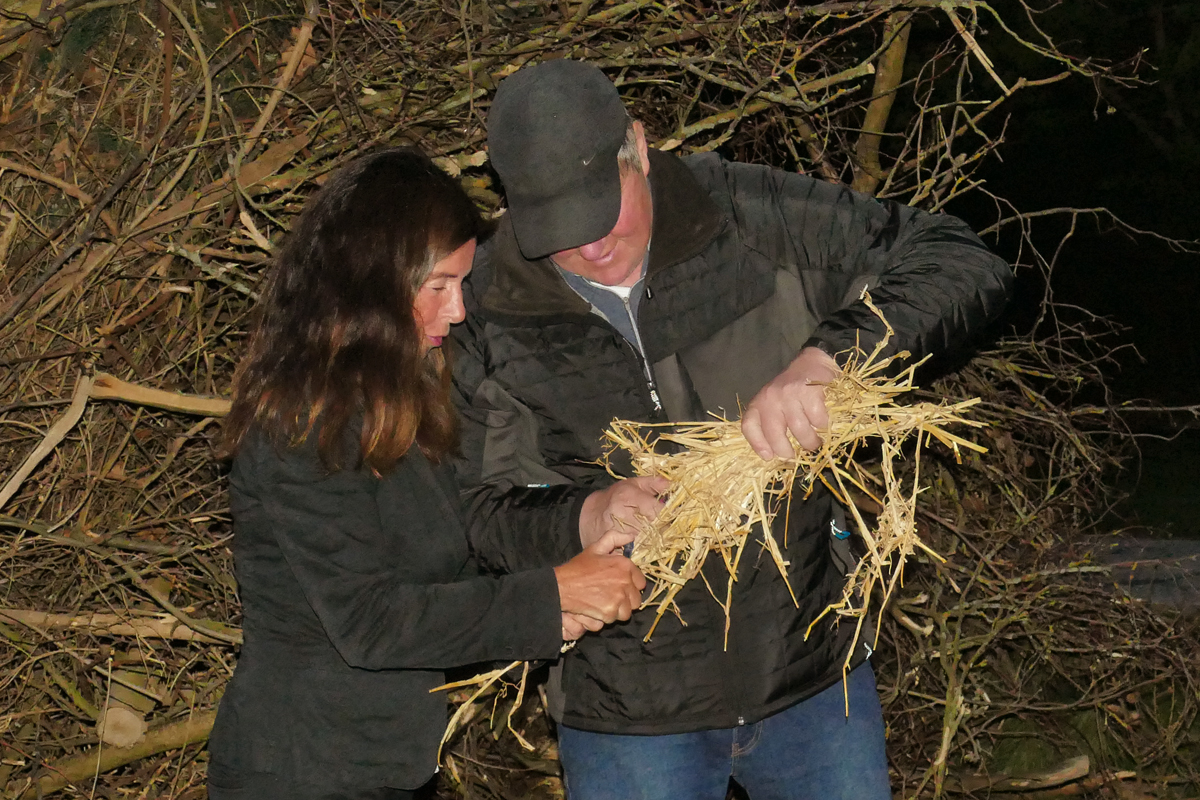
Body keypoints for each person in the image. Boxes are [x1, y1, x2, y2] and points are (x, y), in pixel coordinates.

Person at [450, 61, 1014, 799]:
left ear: (638, 149)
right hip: (627, 714)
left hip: (812, 681)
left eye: (601, 209)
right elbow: (475, 511)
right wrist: (582, 515)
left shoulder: (750, 217)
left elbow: (959, 261)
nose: (590, 248)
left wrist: (833, 358)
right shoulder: (487, 306)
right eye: (558, 227)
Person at [205, 147, 647, 800]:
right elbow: (371, 621)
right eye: (439, 285)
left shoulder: (398, 402)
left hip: (392, 768)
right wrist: (551, 598)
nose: (459, 310)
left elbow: (464, 533)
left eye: (462, 284)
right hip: (302, 773)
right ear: (371, 282)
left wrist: (589, 520)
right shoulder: (297, 423)